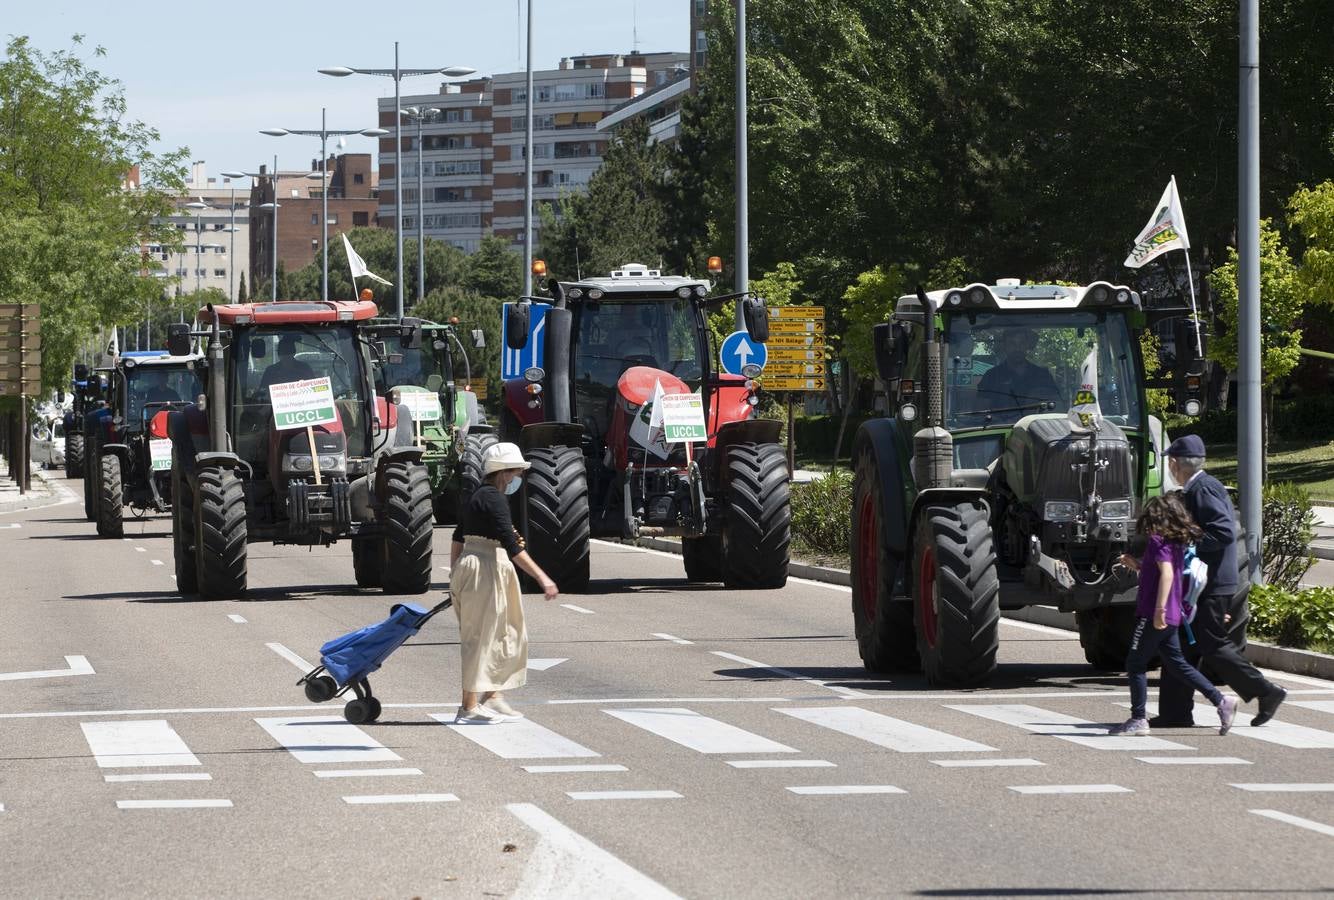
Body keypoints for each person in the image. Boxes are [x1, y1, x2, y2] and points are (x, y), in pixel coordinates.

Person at [1154, 434, 1287, 727]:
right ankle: (1174, 713)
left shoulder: (1203, 489)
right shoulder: (1198, 488)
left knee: (1211, 643)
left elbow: (1224, 532)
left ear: (1175, 463)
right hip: (1204, 581)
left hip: (1212, 583)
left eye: (1170, 462)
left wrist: (1185, 545)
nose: (1170, 468)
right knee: (1179, 645)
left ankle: (1265, 691)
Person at [448, 442, 559, 723]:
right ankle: (468, 706)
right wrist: (542, 577)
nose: (517, 479)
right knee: (482, 638)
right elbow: (513, 546)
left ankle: (492, 695)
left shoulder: (479, 497)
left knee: (502, 634)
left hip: (479, 566)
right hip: (485, 567)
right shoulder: (494, 499)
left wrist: (455, 573)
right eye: (515, 473)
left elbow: (458, 537)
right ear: (503, 474)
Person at [1113, 493, 1237, 736]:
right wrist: (1138, 566)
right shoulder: (1177, 543)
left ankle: (1138, 718)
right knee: (1177, 664)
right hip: (1172, 615)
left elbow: (1167, 575)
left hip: (1154, 613)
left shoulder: (1158, 540)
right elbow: (1162, 573)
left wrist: (1157, 611)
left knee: (1135, 663)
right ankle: (1221, 701)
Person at [974, 327, 1062, 412]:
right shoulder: (992, 376)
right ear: (1004, 346)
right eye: (1012, 343)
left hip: (1037, 425)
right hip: (1000, 425)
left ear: (1027, 346)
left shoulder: (1043, 375)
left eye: (1022, 343)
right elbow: (981, 412)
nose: (1017, 348)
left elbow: (1057, 407)